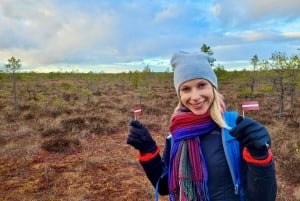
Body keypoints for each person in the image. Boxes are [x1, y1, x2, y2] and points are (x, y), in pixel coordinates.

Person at [127, 51, 277, 201]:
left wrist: (260, 155)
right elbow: (165, 186)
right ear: (180, 94)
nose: (195, 96)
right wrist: (148, 150)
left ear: (213, 87)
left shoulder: (236, 129)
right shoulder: (177, 133)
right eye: (186, 89)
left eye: (201, 85)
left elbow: (263, 197)